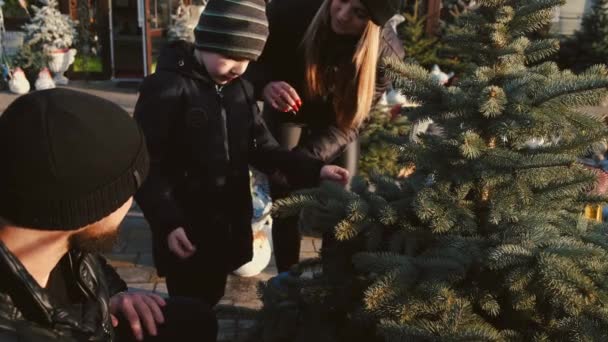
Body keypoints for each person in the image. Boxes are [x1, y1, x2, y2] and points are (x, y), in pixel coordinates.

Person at [133, 0, 350, 307]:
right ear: (206, 40)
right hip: (186, 231)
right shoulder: (167, 88)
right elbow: (145, 164)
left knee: (212, 298)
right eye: (230, 56)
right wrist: (167, 221)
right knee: (190, 306)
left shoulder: (240, 89)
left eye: (247, 59)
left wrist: (315, 170)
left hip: (227, 228)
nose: (238, 67)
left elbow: (264, 149)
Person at [0, 88, 217, 341]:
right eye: (129, 190)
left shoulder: (56, 235)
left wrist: (112, 295)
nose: (130, 203)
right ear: (91, 209)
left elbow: (84, 260)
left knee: (192, 319)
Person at [245, 0, 405, 272]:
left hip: (338, 123)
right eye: (341, 1)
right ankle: (287, 280)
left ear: (372, 24)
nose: (342, 15)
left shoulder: (386, 54)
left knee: (342, 197)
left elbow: (355, 120)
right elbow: (249, 60)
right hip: (287, 107)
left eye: (359, 14)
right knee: (285, 195)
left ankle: (331, 281)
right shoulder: (290, 9)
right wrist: (265, 85)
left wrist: (306, 159)